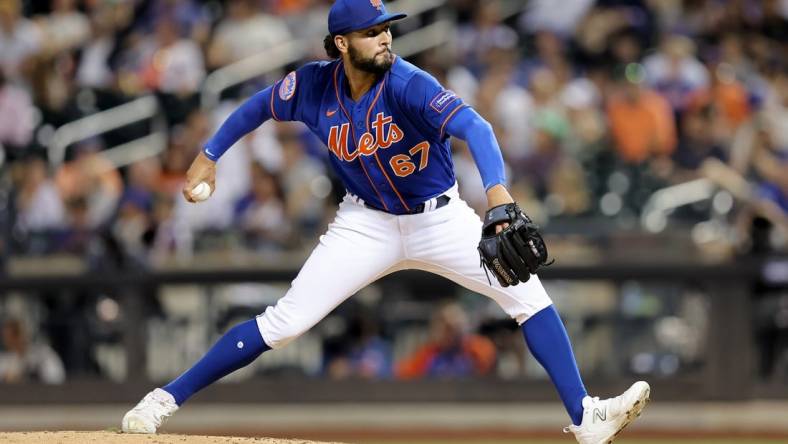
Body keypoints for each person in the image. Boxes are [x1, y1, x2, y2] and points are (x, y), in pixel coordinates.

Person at [121, 1, 650, 442]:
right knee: (283, 325)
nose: (385, 39)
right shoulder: (312, 87)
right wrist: (209, 154)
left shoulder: (409, 82)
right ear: (341, 43)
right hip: (364, 224)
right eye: (371, 32)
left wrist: (497, 195)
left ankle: (586, 417)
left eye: (386, 29)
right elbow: (254, 108)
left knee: (529, 296)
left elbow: (478, 127)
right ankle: (162, 400)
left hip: (440, 220)